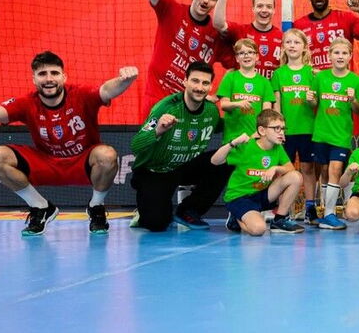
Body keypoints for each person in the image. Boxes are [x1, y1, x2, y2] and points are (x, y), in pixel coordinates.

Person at [0, 52, 136, 236]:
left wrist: (124, 79)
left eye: (54, 73)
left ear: (64, 77)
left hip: (83, 164)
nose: (49, 79)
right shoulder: (27, 102)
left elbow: (106, 90)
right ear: (34, 79)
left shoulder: (81, 94)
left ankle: (96, 207)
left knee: (107, 155)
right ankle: (41, 207)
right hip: (46, 163)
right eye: (42, 74)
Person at [129, 61, 232, 232]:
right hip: (156, 170)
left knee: (227, 158)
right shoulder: (166, 108)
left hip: (185, 167)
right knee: (156, 223)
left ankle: (188, 211)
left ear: (210, 87)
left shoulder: (211, 111)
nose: (199, 87)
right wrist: (158, 130)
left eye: (205, 83)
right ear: (185, 81)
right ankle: (146, 210)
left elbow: (226, 127)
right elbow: (135, 145)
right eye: (195, 81)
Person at [126, 0, 228, 115]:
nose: (206, 0)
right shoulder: (171, 9)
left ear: (216, 4)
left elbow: (237, 66)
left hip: (189, 107)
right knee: (151, 133)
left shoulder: (217, 33)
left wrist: (217, 95)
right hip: (156, 98)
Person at [212, 109, 305, 235]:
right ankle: (236, 217)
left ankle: (279, 220)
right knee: (259, 229)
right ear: (262, 130)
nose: (281, 132)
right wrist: (233, 143)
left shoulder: (277, 148)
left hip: (262, 194)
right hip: (240, 197)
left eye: (283, 129)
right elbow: (215, 161)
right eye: (276, 128)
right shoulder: (246, 147)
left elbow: (290, 169)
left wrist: (275, 168)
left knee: (296, 177)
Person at [307, 38, 359, 230]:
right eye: (336, 53)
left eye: (344, 53)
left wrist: (353, 99)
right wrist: (310, 100)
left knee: (335, 169)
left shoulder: (356, 80)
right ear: (329, 55)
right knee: (324, 172)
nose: (340, 56)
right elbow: (314, 104)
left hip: (341, 135)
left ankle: (330, 213)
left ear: (350, 56)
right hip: (321, 134)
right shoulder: (320, 78)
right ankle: (325, 212)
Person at [270, 29, 319, 223]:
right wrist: (279, 129)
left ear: (304, 47)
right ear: (283, 47)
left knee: (308, 168)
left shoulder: (312, 73)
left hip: (307, 129)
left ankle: (310, 208)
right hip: (287, 131)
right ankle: (285, 211)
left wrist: (312, 100)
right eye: (288, 42)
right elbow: (277, 104)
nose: (292, 46)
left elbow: (316, 104)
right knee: (285, 170)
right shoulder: (278, 74)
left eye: (296, 42)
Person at [211, 0, 282, 77]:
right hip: (242, 87)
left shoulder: (282, 37)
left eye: (269, 7)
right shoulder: (240, 30)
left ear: (274, 10)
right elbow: (218, 24)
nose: (264, 10)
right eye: (260, 6)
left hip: (269, 87)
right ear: (253, 9)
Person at [215, 39, 274, 142]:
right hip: (232, 137)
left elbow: (266, 113)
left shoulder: (265, 82)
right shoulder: (230, 77)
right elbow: (223, 105)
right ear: (237, 58)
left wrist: (259, 132)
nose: (246, 56)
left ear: (257, 56)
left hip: (256, 137)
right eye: (241, 53)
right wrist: (238, 104)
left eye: (250, 52)